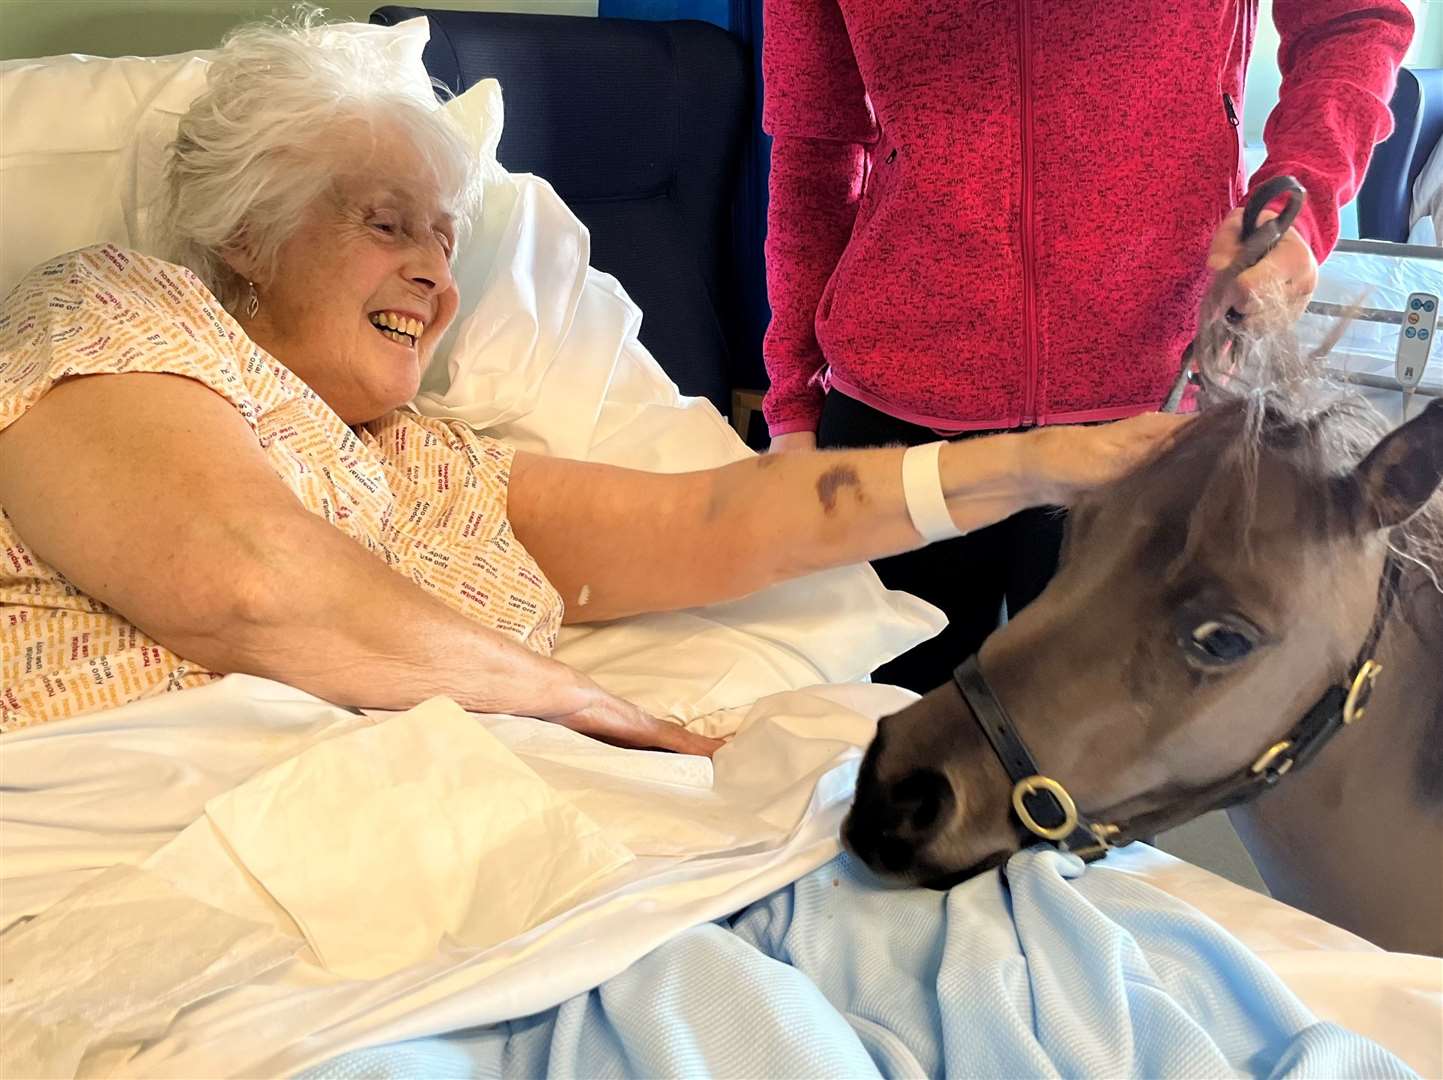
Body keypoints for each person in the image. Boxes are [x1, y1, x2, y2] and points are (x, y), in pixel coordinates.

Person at [0, 20, 1186, 743]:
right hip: (160, 857)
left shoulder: (432, 463)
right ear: (250, 235)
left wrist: (1036, 464)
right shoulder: (117, 309)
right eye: (388, 226)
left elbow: (714, 518)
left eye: (448, 244)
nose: (435, 277)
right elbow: (248, 585)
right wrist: (592, 712)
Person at [760, 0, 1414, 691]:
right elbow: (814, 148)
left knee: (1094, 742)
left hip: (1144, 410)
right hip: (895, 417)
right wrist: (791, 404)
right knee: (877, 743)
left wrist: (1302, 202)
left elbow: (1353, 18)